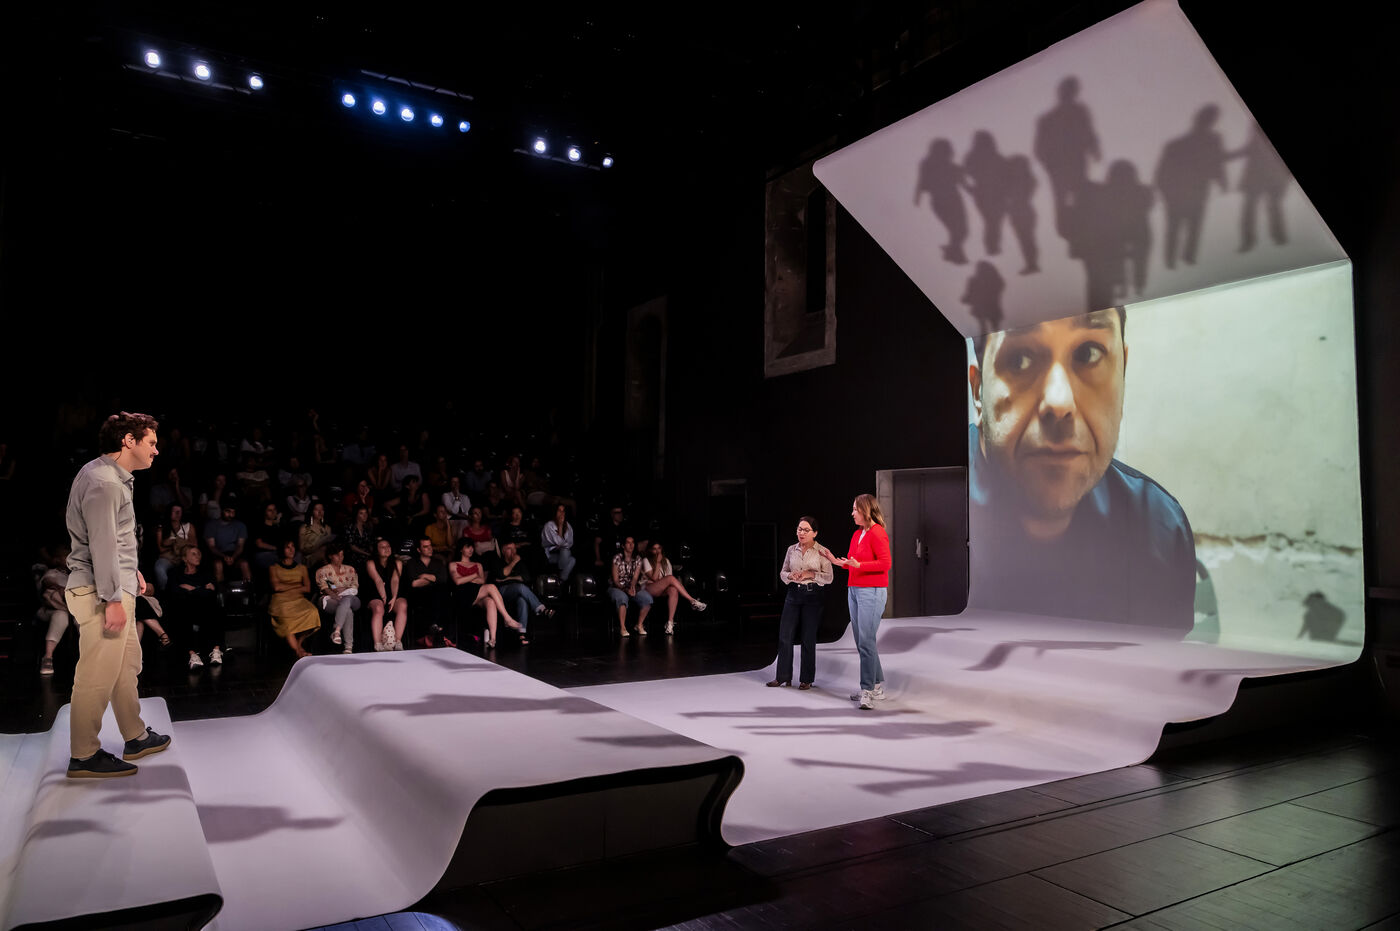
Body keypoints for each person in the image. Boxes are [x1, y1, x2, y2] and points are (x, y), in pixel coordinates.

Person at [966, 307, 1195, 630]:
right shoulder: (918, 515)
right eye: (1020, 359)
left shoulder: (1159, 529)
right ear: (978, 391)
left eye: (1088, 354)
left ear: (1123, 373)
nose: (1059, 402)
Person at [63, 412, 171, 778]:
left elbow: (111, 539)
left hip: (112, 584)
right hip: (100, 591)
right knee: (97, 674)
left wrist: (130, 571)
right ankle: (83, 754)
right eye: (151, 443)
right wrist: (111, 598)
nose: (156, 450)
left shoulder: (108, 477)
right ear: (129, 441)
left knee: (124, 666)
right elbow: (102, 543)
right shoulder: (104, 482)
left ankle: (135, 736)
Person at [822, 494, 891, 711]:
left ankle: (867, 690)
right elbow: (853, 562)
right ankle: (876, 687)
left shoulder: (877, 532)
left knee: (866, 641)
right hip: (854, 589)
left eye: (855, 509)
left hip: (872, 591)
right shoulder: (857, 534)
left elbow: (885, 563)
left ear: (865, 510)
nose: (852, 513)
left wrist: (860, 566)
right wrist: (836, 561)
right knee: (863, 641)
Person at [769, 516, 832, 689]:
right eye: (799, 529)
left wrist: (811, 574)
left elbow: (829, 577)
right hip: (793, 593)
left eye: (806, 530)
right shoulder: (791, 549)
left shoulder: (822, 551)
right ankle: (783, 677)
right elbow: (783, 572)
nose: (801, 533)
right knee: (785, 635)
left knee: (808, 637)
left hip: (813, 595)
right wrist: (790, 575)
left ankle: (806, 679)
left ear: (815, 533)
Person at [448, 539, 522, 647]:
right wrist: (474, 576)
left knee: (490, 601)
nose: (471, 549)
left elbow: (482, 581)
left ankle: (493, 639)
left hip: (477, 593)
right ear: (461, 549)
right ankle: (507, 618)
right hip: (462, 595)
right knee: (491, 587)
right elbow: (458, 581)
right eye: (468, 547)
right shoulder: (453, 564)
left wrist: (466, 579)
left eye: (472, 547)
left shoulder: (478, 565)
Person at [165, 546, 226, 671]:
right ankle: (192, 655)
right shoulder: (175, 574)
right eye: (193, 554)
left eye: (199, 553)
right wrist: (202, 589)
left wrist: (191, 589)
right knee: (181, 613)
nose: (198, 556)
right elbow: (174, 592)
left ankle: (216, 650)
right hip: (185, 608)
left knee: (215, 609)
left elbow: (212, 592)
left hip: (204, 608)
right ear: (184, 558)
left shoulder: (205, 573)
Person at [640, 542, 707, 635]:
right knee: (671, 578)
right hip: (648, 588)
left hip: (661, 589)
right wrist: (658, 562)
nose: (657, 551)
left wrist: (663, 580)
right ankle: (692, 600)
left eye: (659, 548)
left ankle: (670, 623)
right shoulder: (646, 560)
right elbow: (654, 578)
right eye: (654, 549)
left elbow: (668, 581)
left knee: (673, 589)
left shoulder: (666, 561)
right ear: (650, 550)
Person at [268, 540, 320, 659]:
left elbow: (307, 588)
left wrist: (285, 587)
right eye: (288, 547)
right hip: (281, 601)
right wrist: (297, 586)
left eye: (293, 547)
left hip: (298, 600)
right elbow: (276, 587)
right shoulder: (274, 568)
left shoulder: (302, 568)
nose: (291, 550)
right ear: (282, 550)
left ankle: (299, 645)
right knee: (287, 619)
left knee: (313, 612)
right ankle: (299, 651)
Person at [495, 541, 554, 644]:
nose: (513, 551)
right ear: (503, 551)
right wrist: (513, 563)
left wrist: (508, 578)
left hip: (518, 591)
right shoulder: (498, 562)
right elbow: (501, 575)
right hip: (501, 592)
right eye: (509, 549)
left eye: (514, 548)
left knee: (522, 599)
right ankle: (542, 609)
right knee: (520, 587)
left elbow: (526, 578)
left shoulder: (520, 564)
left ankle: (521, 634)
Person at [316, 542, 359, 654]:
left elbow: (354, 586)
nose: (341, 558)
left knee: (347, 599)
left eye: (342, 555)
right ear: (330, 556)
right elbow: (327, 588)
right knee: (347, 610)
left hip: (351, 598)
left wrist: (344, 589)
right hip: (332, 599)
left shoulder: (350, 569)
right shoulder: (324, 571)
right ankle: (348, 647)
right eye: (337, 555)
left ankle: (336, 630)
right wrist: (336, 595)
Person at [366, 538, 408, 651]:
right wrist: (384, 597)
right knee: (379, 608)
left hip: (393, 591)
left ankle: (397, 641)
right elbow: (378, 580)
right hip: (376, 592)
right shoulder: (371, 563)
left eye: (388, 546)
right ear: (377, 550)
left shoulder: (397, 562)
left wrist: (394, 597)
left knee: (403, 605)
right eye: (382, 547)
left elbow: (395, 580)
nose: (386, 549)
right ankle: (378, 643)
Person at [608, 535, 652, 637]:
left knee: (647, 599)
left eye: (632, 542)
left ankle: (639, 625)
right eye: (628, 542)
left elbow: (635, 578)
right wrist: (625, 590)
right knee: (622, 598)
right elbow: (615, 580)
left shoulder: (637, 558)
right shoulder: (617, 558)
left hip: (629, 586)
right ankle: (623, 628)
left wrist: (632, 587)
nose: (631, 545)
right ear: (623, 546)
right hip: (616, 587)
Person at [151, 502, 195, 592]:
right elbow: (161, 549)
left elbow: (195, 545)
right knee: (159, 568)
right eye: (175, 511)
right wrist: (173, 546)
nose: (177, 514)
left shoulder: (188, 526)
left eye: (179, 511)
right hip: (168, 557)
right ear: (169, 512)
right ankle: (166, 591)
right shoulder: (162, 527)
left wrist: (178, 543)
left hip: (185, 557)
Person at [541, 503, 576, 582]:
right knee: (566, 552)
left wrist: (564, 545)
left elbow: (570, 543)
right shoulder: (549, 525)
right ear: (555, 512)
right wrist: (560, 526)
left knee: (572, 559)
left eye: (563, 511)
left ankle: (561, 579)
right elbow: (559, 543)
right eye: (559, 510)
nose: (561, 513)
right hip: (549, 555)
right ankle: (561, 570)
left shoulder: (568, 525)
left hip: (562, 555)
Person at [298, 501, 335, 567]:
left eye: (322, 510)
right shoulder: (305, 528)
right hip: (309, 557)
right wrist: (316, 546)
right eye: (317, 510)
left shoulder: (327, 528)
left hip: (326, 554)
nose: (320, 512)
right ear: (312, 511)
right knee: (322, 552)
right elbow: (302, 548)